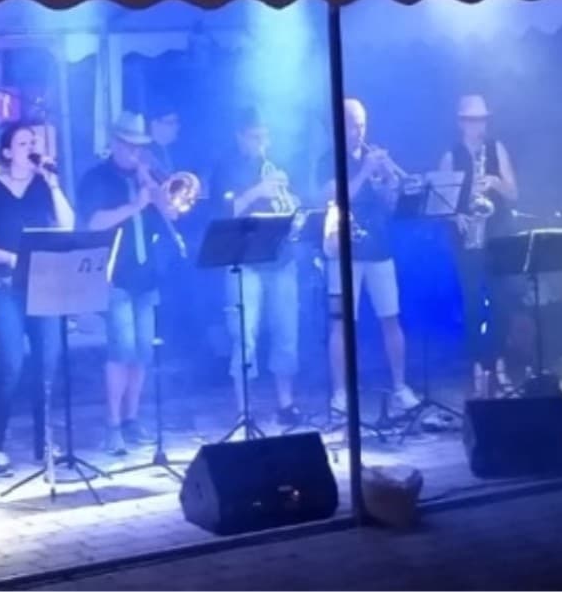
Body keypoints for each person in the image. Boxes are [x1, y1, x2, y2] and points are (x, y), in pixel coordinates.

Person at [0, 122, 75, 476]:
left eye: (34, 142)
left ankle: (44, 442)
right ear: (7, 152)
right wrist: (13, 258)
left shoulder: (43, 187)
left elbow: (68, 225)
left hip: (42, 284)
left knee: (47, 364)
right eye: (23, 143)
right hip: (4, 287)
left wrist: (54, 184)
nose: (31, 148)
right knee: (11, 366)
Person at [78, 112, 177, 455]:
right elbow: (94, 222)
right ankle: (113, 425)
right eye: (130, 145)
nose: (136, 152)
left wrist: (154, 188)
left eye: (140, 147)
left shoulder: (144, 178)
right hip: (114, 276)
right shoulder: (97, 178)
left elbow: (173, 213)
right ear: (116, 143)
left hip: (146, 276)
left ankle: (132, 419)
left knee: (143, 352)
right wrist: (135, 205)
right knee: (121, 351)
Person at [318, 99, 420, 416]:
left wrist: (390, 180)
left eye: (362, 125)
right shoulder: (328, 159)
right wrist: (365, 171)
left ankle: (400, 387)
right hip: (343, 249)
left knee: (391, 318)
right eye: (353, 125)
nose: (359, 131)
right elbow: (336, 196)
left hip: (379, 248)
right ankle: (340, 393)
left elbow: (390, 205)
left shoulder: (372, 158)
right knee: (341, 323)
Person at [210, 107, 304, 427]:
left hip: (281, 259)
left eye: (265, 137)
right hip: (244, 263)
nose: (262, 144)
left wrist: (294, 209)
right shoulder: (226, 167)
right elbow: (225, 213)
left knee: (286, 333)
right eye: (254, 137)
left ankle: (285, 403)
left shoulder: (278, 164)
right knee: (244, 335)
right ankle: (244, 408)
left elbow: (295, 206)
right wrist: (257, 192)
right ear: (240, 136)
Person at [436, 95, 520, 397]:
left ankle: (496, 362)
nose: (479, 126)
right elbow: (440, 203)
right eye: (473, 120)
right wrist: (456, 215)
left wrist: (496, 183)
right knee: (472, 306)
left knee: (502, 304)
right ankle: (476, 367)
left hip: (497, 235)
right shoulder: (451, 155)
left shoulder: (496, 148)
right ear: (461, 123)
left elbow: (514, 194)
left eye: (483, 120)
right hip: (467, 239)